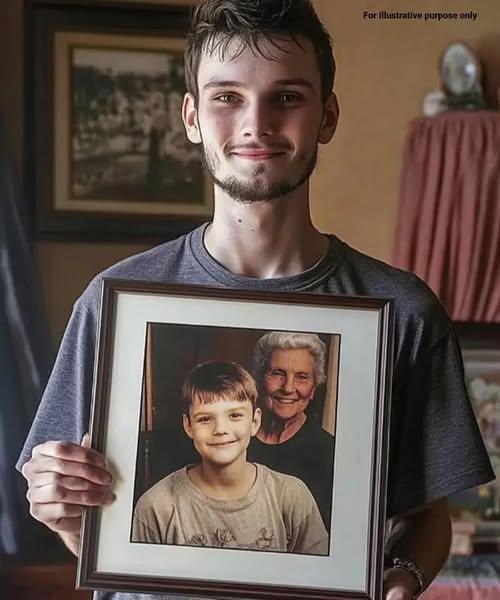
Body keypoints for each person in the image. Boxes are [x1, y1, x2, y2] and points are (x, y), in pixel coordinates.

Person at [18, 1, 494, 599]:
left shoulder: (406, 312)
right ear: (191, 117)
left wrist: (405, 578)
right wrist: (64, 514)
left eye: (287, 97)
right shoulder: (111, 303)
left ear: (327, 116)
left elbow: (427, 517)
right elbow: (101, 534)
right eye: (227, 97)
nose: (256, 124)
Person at [132, 361, 328, 556]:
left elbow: (318, 573)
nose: (220, 429)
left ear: (255, 422)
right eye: (205, 419)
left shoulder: (291, 496)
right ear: (188, 426)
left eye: (234, 415)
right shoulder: (156, 507)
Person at [248, 331, 335, 530]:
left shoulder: (330, 453)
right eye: (278, 373)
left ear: (313, 389)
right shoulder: (232, 438)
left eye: (302, 377)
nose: (288, 388)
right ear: (259, 378)